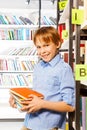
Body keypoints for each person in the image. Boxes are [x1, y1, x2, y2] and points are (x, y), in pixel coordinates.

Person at [9, 26, 75, 130]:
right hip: (29, 122)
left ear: (58, 44)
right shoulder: (38, 66)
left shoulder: (64, 69)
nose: (42, 51)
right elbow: (39, 94)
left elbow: (70, 106)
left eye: (46, 45)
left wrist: (42, 104)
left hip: (48, 126)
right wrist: (19, 100)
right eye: (39, 47)